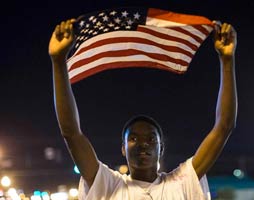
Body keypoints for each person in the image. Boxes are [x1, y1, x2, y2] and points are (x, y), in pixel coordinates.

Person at [48, 17, 237, 200]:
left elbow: (224, 126)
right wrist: (58, 61)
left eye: (151, 138)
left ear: (161, 148)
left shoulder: (181, 182)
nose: (142, 144)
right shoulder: (108, 184)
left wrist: (227, 61)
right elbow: (71, 133)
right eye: (133, 138)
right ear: (123, 148)